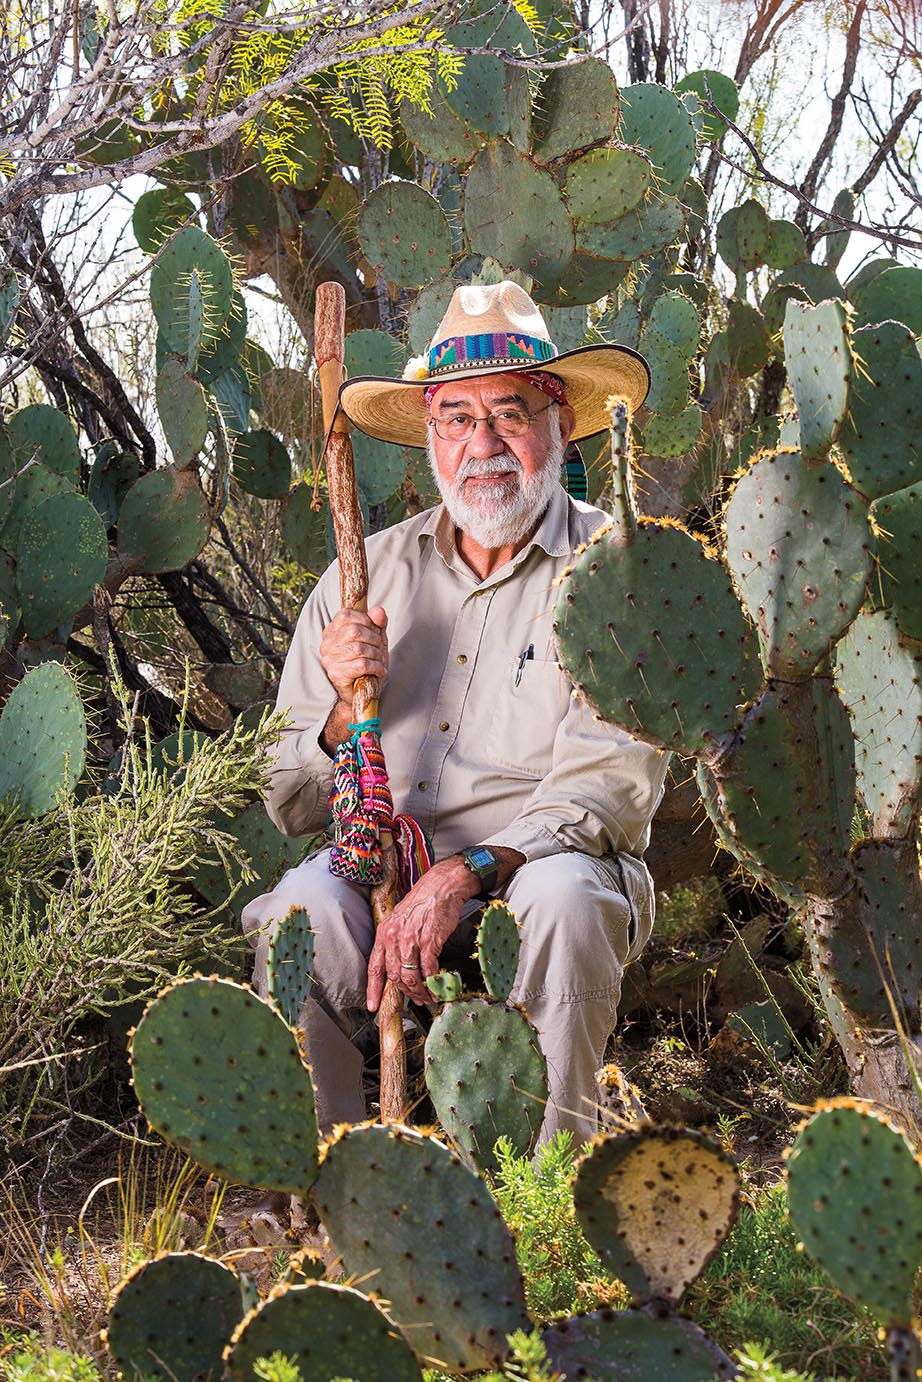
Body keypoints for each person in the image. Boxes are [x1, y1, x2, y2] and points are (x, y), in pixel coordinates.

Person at [242, 281, 669, 1143]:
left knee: (563, 900)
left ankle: (551, 1202)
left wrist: (462, 872)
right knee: (299, 907)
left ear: (560, 425)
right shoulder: (362, 576)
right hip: (382, 865)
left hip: (535, 871)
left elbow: (607, 792)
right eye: (456, 419)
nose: (484, 444)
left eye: (510, 414)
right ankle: (333, 1187)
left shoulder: (619, 575)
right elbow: (284, 799)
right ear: (430, 436)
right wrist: (337, 712)